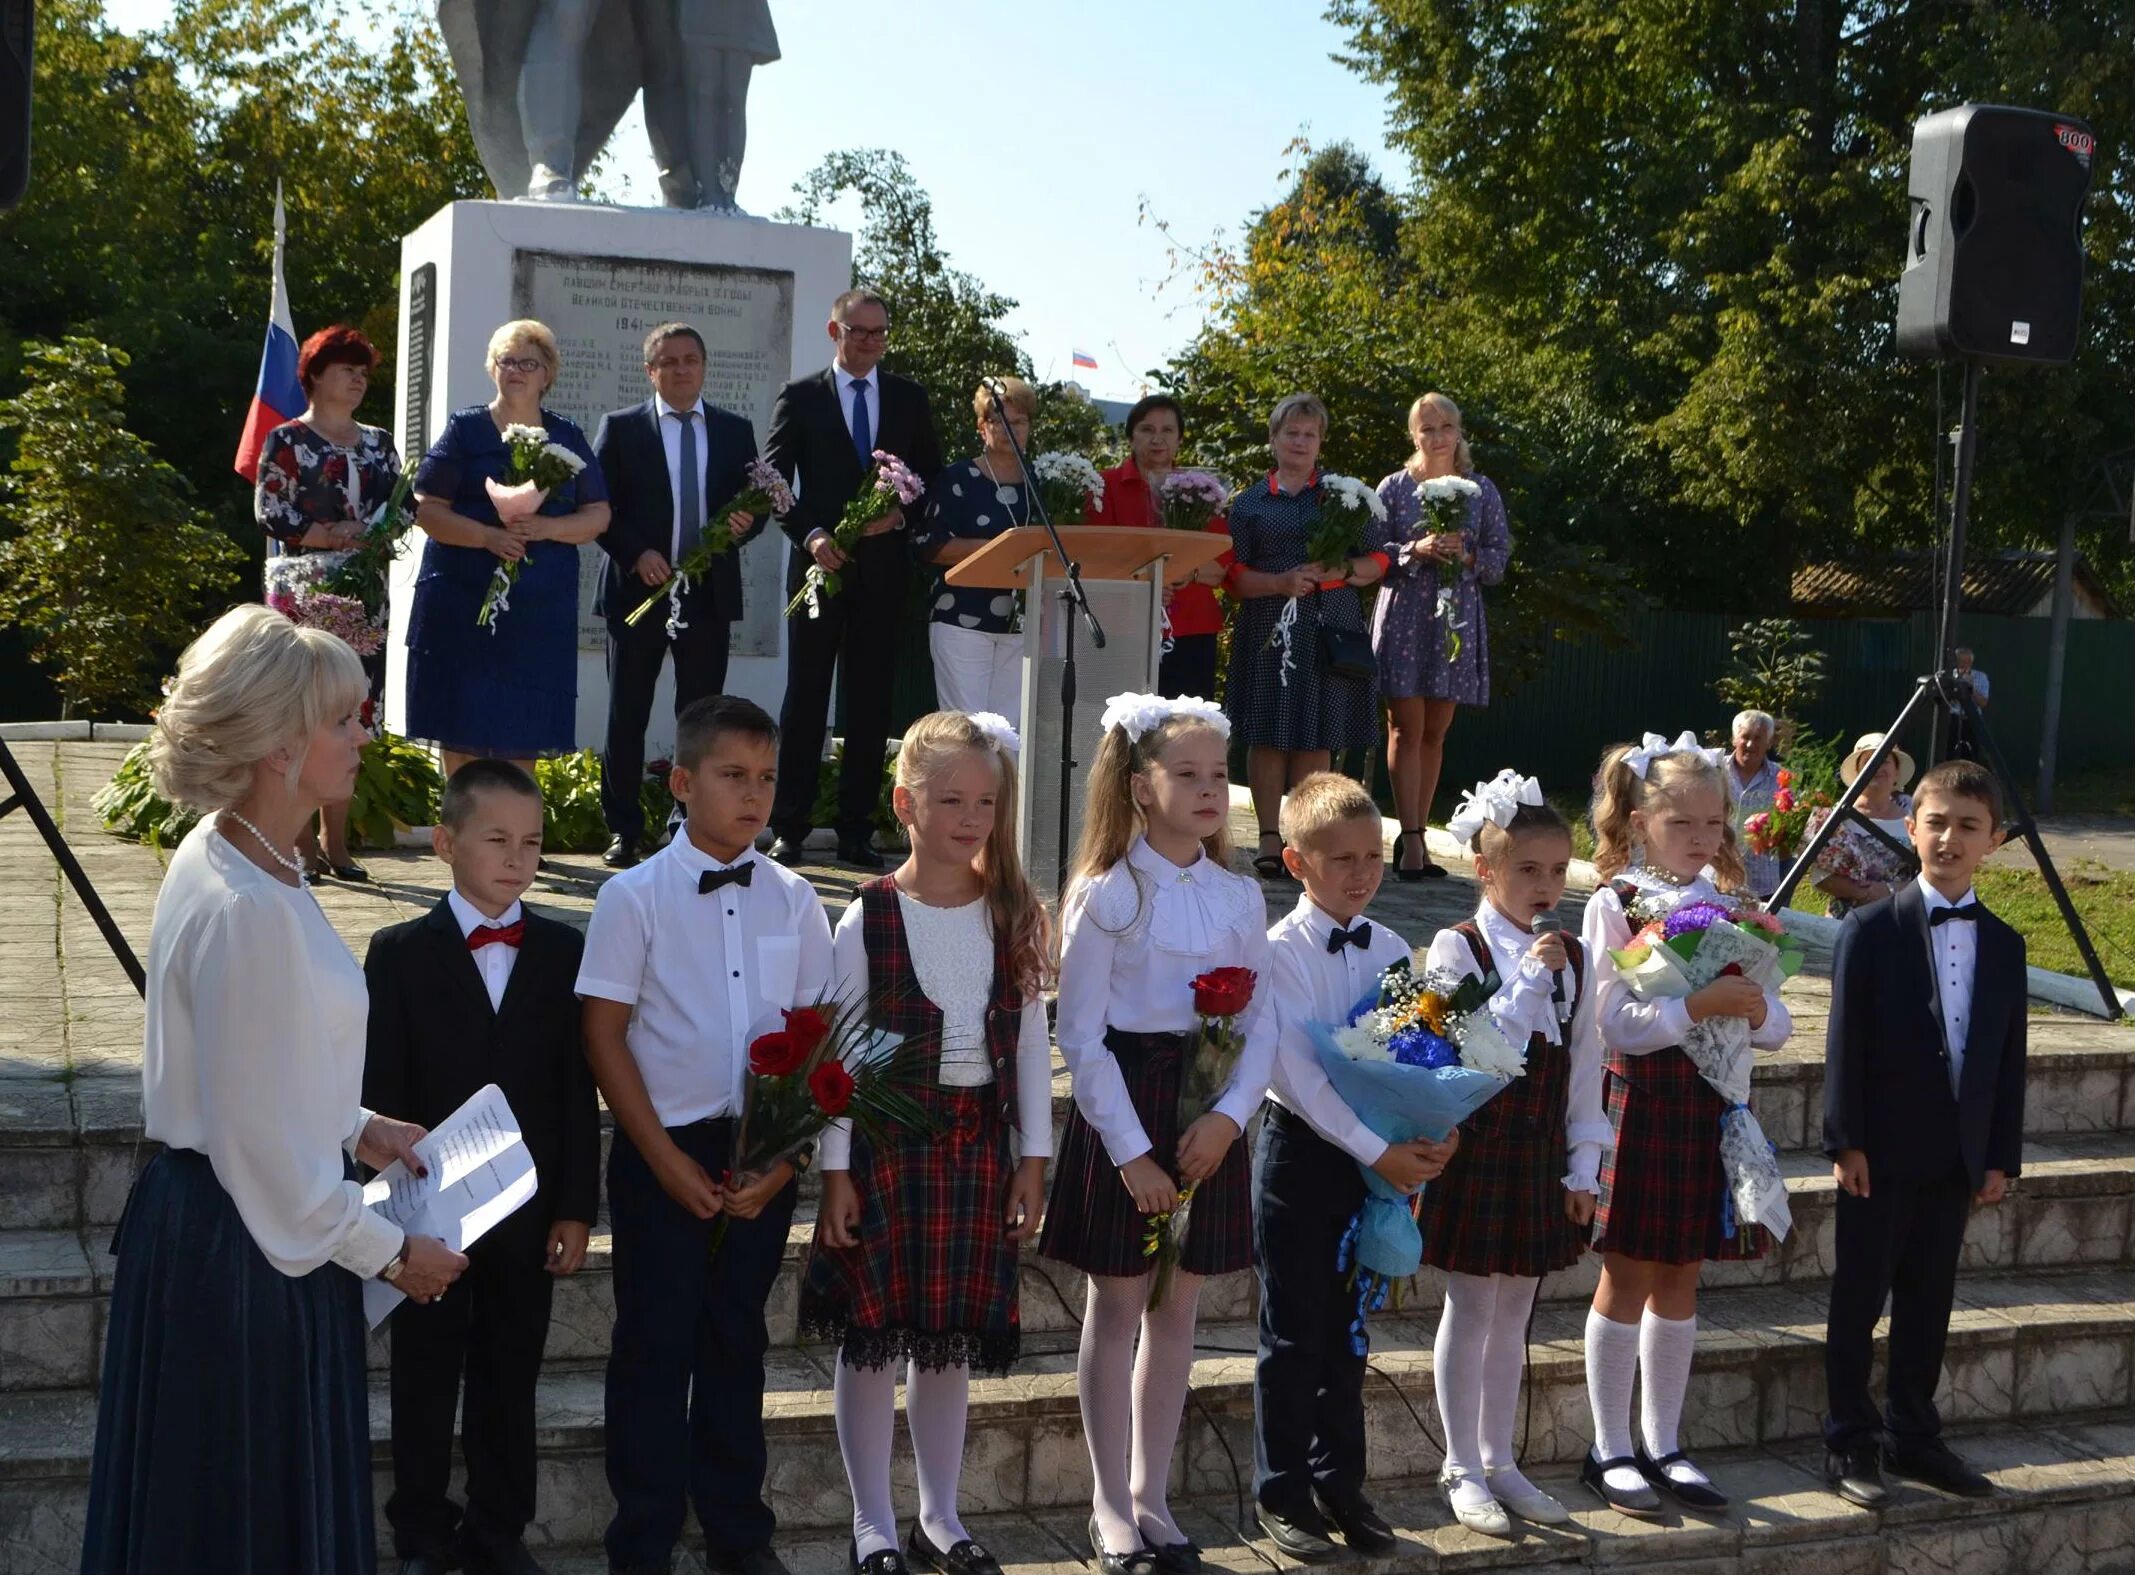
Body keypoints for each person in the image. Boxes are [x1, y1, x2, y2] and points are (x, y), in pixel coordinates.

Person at [80, 605, 465, 1575]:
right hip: (245, 1257)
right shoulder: (242, 898)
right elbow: (271, 1165)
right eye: (343, 720)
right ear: (279, 747)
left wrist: (361, 1124)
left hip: (228, 1233)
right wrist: (392, 1254)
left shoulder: (240, 853)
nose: (362, 735)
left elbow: (259, 1070)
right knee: (239, 1527)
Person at [578, 695, 833, 1575]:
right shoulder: (630, 896)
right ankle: (641, 1538)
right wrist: (658, 1155)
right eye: (733, 776)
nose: (754, 794)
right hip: (663, 1151)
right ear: (683, 782)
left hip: (759, 1156)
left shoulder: (798, 900)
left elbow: (814, 1037)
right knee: (653, 1344)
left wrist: (786, 1158)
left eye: (765, 777)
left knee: (737, 1341)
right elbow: (603, 1034)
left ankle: (737, 1530)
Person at [800, 711, 1055, 1575]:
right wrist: (835, 1172)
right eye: (950, 799)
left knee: (947, 1339)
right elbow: (838, 1054)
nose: (971, 816)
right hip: (885, 1148)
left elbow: (1024, 1040)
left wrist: (1032, 1156)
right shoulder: (867, 917)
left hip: (976, 1147)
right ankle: (872, 1520)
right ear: (905, 804)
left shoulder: (1010, 909)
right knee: (872, 1338)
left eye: (985, 800)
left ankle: (940, 1515)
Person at [1038, 692, 1277, 1575]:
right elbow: (1080, 1034)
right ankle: (1108, 1505)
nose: (1210, 788)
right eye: (1188, 773)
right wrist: (1131, 1151)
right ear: (1141, 786)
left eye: (1219, 773)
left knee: (1179, 1309)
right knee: (1120, 1302)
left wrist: (1225, 1116)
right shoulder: (1107, 894)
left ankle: (1151, 1495)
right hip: (1128, 1110)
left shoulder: (1240, 895)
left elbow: (1263, 1023)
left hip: (1207, 1102)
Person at [362, 759, 601, 1575]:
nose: (516, 856)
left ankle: (499, 1532)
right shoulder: (397, 953)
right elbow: (377, 1089)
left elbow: (577, 1089)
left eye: (532, 842)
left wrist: (575, 1207)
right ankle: (422, 1531)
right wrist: (384, 1213)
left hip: (528, 1210)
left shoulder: (566, 950)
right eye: (496, 838)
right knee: (425, 1376)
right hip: (430, 1212)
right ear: (445, 842)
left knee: (511, 1374)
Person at [1578, 737, 1791, 1517]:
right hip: (1643, 1101)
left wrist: (1756, 1007)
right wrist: (1691, 1008)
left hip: (1712, 1107)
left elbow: (1776, 1025)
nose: (1700, 837)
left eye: (1712, 822)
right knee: (1628, 1271)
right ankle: (1609, 1448)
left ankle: (1663, 1441)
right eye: (1681, 822)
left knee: (1681, 1274)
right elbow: (1609, 1020)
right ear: (1639, 821)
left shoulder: (1734, 907)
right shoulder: (1616, 901)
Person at [1253, 773, 1456, 1561]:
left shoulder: (1392, 946)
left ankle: (1342, 1482)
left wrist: (1437, 1129)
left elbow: (1419, 1055)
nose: (1363, 871)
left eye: (1373, 854)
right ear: (1298, 862)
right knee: (1293, 1332)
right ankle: (1282, 1490)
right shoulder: (1280, 952)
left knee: (1350, 1333)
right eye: (1341, 858)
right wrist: (1379, 1148)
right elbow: (1298, 1076)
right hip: (1302, 1157)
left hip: (1375, 1158)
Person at [1822, 759, 2025, 1509]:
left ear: (1992, 840)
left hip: (1956, 1155)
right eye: (1935, 822)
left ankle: (1913, 1432)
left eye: (1967, 826)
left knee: (1928, 1299)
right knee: (1858, 1294)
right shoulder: (1871, 929)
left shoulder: (2003, 943)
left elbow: (2008, 1057)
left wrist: (1998, 1154)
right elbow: (1843, 1041)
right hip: (1877, 1151)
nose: (1948, 837)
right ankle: (1848, 1436)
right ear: (1910, 828)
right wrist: (1846, 1139)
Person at [1417, 777, 1604, 1536]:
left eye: (1558, 870)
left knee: (1515, 1310)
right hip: (1474, 1149)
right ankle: (1460, 1461)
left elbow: (1585, 1064)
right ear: (1483, 868)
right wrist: (1528, 977)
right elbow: (1463, 1048)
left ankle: (1499, 1456)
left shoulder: (1579, 957)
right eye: (1527, 870)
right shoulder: (1454, 947)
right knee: (1471, 1306)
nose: (1546, 886)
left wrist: (1583, 1163)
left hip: (1536, 1154)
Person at [766, 288, 944, 870]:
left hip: (885, 570)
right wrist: (812, 534)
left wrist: (902, 515)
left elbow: (931, 478)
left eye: (879, 332)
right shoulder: (800, 397)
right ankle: (788, 826)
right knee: (807, 697)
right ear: (833, 330)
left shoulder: (908, 398)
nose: (869, 341)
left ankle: (855, 829)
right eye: (858, 330)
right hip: (819, 568)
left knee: (870, 703)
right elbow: (774, 483)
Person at [593, 322, 768, 868]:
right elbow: (599, 509)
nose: (682, 368)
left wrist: (745, 523)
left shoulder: (735, 430)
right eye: (669, 361)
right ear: (651, 371)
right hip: (638, 591)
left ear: (704, 366)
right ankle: (624, 828)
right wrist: (634, 552)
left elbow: (756, 506)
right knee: (628, 712)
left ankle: (684, 826)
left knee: (699, 719)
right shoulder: (621, 429)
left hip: (706, 595)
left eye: (691, 359)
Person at [406, 319, 611, 778]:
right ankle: (464, 836)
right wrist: (488, 537)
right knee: (460, 717)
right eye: (507, 360)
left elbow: (598, 515)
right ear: (492, 368)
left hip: (538, 607)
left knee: (526, 722)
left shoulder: (567, 436)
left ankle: (515, 842)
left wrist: (544, 527)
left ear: (547, 374)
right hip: (462, 596)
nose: (516, 370)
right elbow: (426, 508)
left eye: (528, 362)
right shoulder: (465, 429)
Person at [1220, 394, 1393, 882]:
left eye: (1309, 434)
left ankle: (1311, 838)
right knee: (1267, 733)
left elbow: (1379, 561)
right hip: (1268, 627)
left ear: (1320, 443)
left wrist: (1339, 570)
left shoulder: (1344, 497)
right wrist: (1279, 582)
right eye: (1290, 433)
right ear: (1273, 439)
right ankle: (1270, 838)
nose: (1299, 442)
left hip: (1328, 625)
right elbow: (1231, 574)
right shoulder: (1250, 502)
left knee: (1317, 735)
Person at [254, 323, 403, 883]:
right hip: (302, 590)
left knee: (350, 716)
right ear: (316, 376)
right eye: (347, 370)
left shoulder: (379, 443)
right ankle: (300, 849)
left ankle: (336, 846)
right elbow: (271, 510)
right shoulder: (287, 440)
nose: (359, 380)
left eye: (364, 373)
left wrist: (377, 534)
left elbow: (403, 507)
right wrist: (330, 535)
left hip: (365, 595)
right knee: (300, 714)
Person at [1372, 394, 1511, 881]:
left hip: (1455, 618)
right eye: (1427, 428)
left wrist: (1467, 556)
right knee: (1405, 727)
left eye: (1446, 426)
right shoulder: (1394, 487)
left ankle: (1420, 836)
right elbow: (1372, 551)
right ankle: (1409, 837)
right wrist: (1418, 547)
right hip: (1407, 613)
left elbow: (1499, 556)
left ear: (1459, 433)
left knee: (1435, 731)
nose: (1437, 436)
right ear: (1414, 435)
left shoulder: (1480, 488)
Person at [911, 378, 1042, 725]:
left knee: (1010, 735)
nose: (1009, 430)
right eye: (998, 421)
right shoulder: (958, 478)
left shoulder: (1042, 482)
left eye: (1019, 422)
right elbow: (930, 545)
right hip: (962, 619)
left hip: (1021, 624)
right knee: (967, 729)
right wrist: (1000, 551)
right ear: (982, 427)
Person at [1090, 395, 1231, 702]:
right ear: (1131, 437)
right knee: (1125, 727)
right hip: (1123, 628)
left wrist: (1186, 573)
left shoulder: (1203, 491)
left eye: (1167, 430)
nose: (1157, 439)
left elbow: (1219, 569)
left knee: (1186, 728)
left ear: (1179, 438)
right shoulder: (1105, 486)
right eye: (1146, 429)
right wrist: (1146, 583)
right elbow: (1095, 559)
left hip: (1191, 628)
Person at [1805, 733, 1919, 917]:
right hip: (1844, 920)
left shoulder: (1915, 821)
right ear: (1857, 771)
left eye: (1884, 760)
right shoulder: (1835, 817)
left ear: (1896, 771)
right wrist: (1864, 893)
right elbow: (1820, 877)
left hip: (1897, 918)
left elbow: (1927, 876)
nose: (1876, 766)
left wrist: (1888, 890)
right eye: (1868, 760)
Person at [1725, 710, 1785, 900]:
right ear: (1734, 739)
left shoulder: (1782, 779)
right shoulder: (1715, 772)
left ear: (1768, 743)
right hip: (1718, 875)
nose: (1750, 744)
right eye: (1745, 737)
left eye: (1758, 738)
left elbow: (1790, 833)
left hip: (1762, 881)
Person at [1946, 647, 1990, 760]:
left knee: (1972, 754)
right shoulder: (1948, 676)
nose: (1964, 665)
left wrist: (1970, 688)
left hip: (1972, 719)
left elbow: (1983, 702)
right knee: (1949, 752)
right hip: (1953, 719)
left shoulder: (1981, 677)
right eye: (1961, 661)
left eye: (1967, 662)